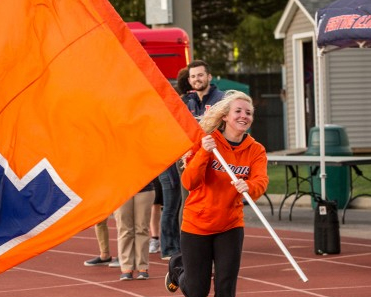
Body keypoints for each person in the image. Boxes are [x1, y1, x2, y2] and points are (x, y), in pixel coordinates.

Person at [165, 90, 269, 296]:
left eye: (248, 113)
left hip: (230, 225)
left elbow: (261, 181)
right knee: (197, 290)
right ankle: (177, 270)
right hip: (197, 224)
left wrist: (249, 186)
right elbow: (189, 182)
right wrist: (204, 153)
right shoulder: (207, 142)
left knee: (226, 288)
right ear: (225, 116)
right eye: (238, 111)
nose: (244, 116)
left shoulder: (256, 150)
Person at [158, 61, 225, 260]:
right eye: (193, 76)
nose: (197, 79)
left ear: (209, 76)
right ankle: (186, 248)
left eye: (200, 75)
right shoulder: (186, 102)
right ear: (189, 80)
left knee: (216, 202)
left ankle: (216, 246)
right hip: (189, 159)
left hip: (216, 158)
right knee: (187, 201)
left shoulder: (222, 100)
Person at [114, 181, 154, 280]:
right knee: (124, 230)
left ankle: (142, 266)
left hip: (144, 188)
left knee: (142, 229)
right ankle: (126, 267)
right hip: (120, 189)